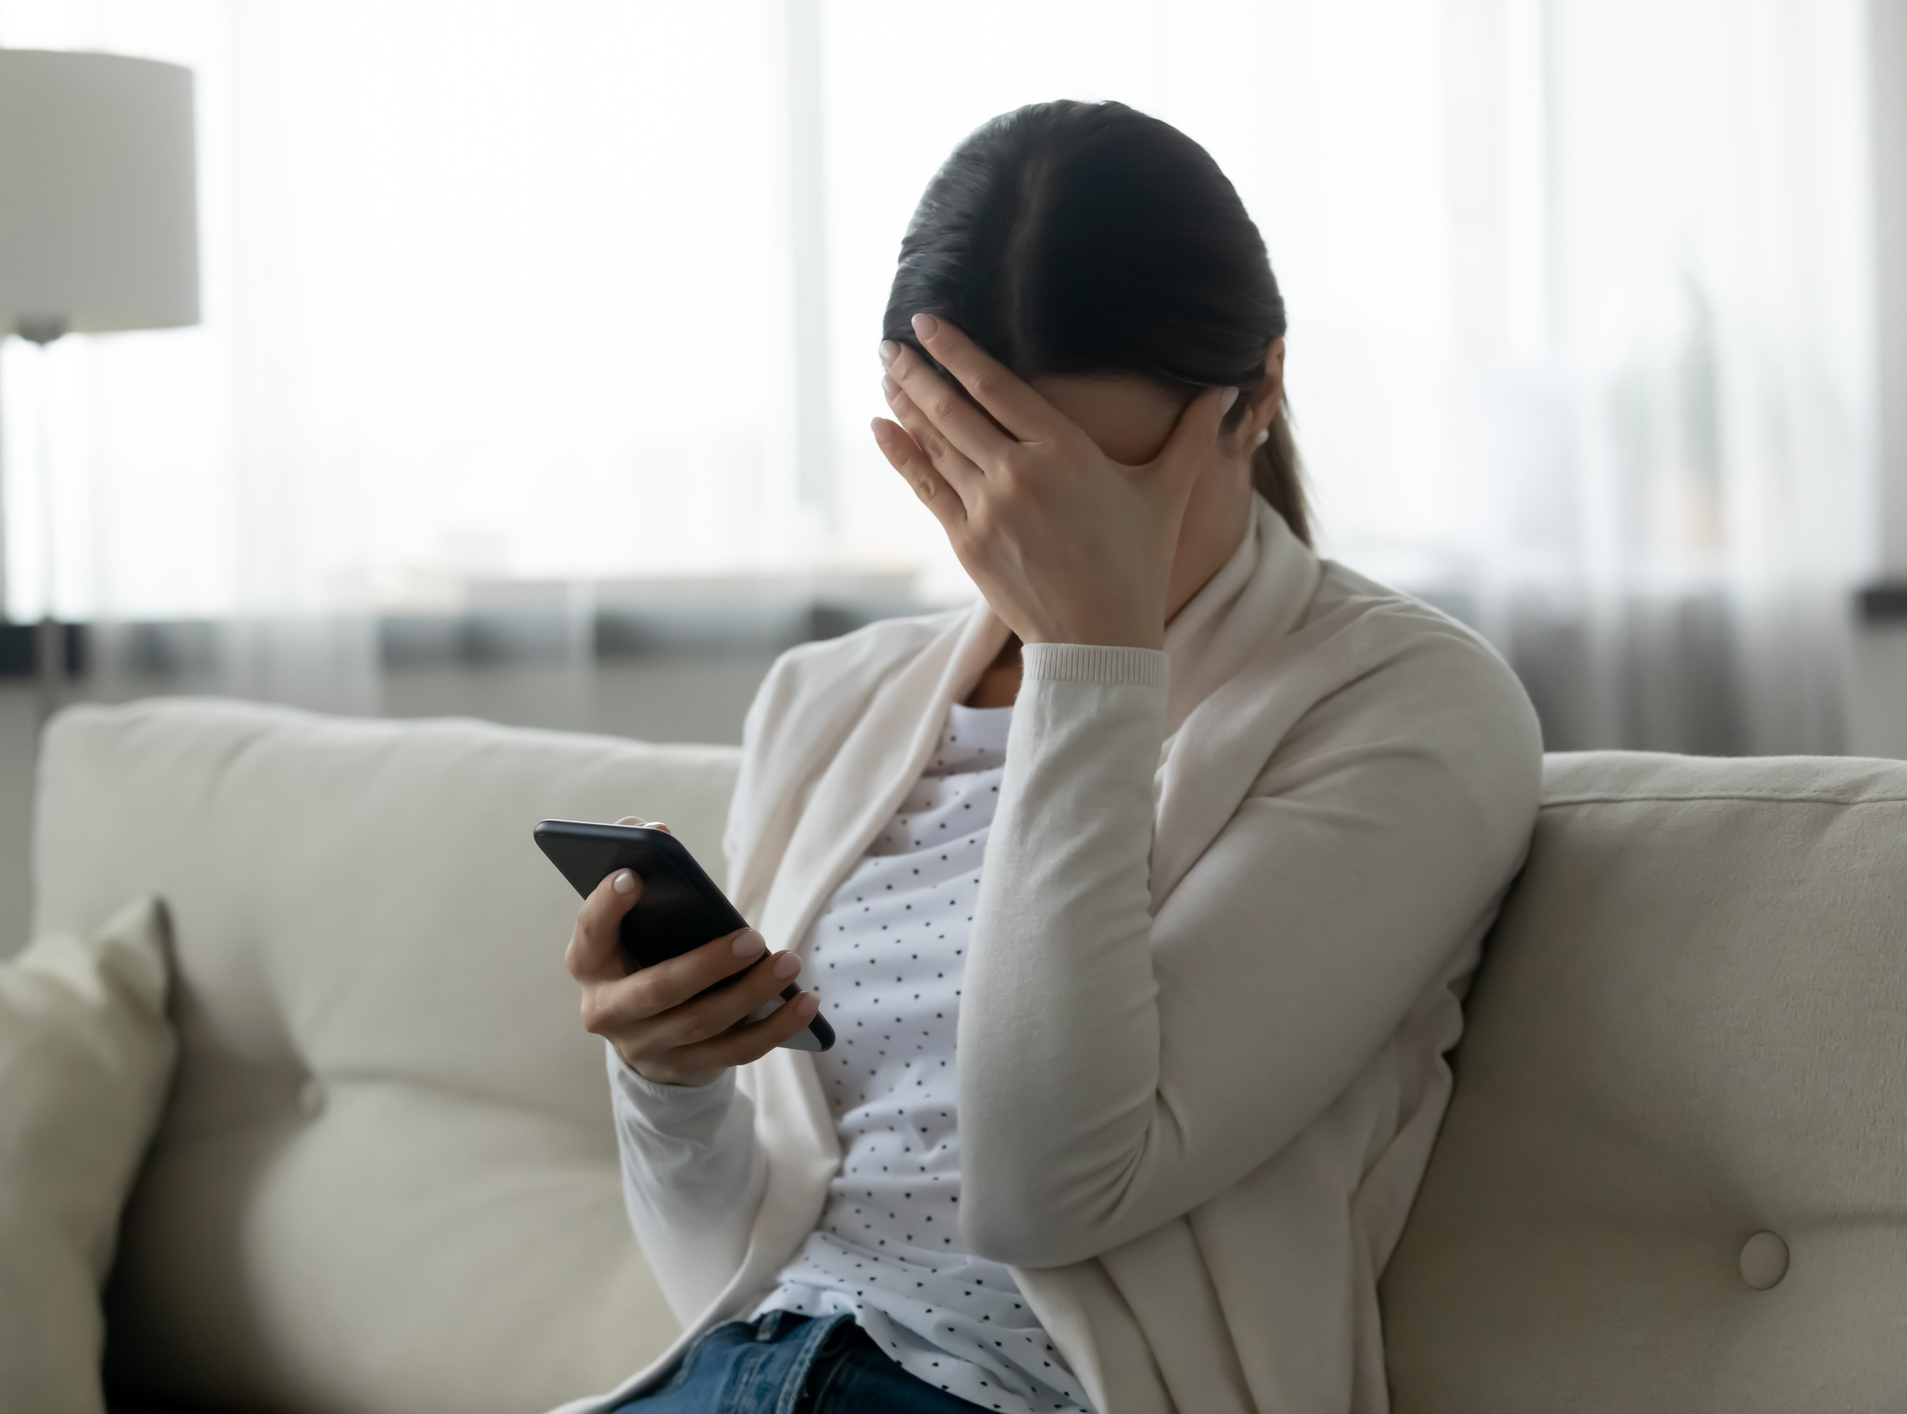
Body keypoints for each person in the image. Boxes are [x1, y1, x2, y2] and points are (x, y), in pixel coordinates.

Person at [556, 99, 1542, 1414]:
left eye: (1100, 478)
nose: (1036, 515)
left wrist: (1092, 662)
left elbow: (1048, 1188)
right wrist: (666, 1083)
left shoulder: (1405, 703)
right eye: (989, 461)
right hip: (750, 1370)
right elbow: (720, 1274)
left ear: (1255, 399)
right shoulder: (825, 701)